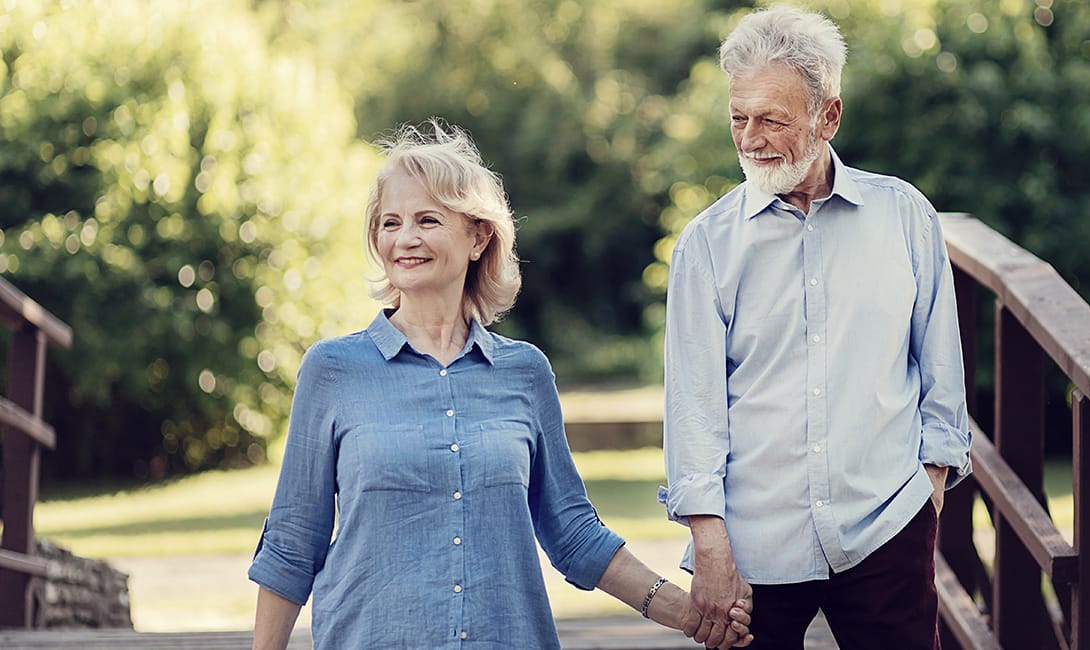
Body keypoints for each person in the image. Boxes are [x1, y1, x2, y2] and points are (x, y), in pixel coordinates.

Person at [248, 120, 752, 650]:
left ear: (478, 236)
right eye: (390, 223)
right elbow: (290, 545)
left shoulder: (524, 373)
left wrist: (690, 613)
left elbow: (574, 533)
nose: (405, 239)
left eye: (427, 219)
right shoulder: (333, 371)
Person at [660, 5, 973, 649]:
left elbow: (942, 370)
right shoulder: (706, 245)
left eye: (772, 118)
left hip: (886, 524)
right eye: (738, 117)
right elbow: (693, 406)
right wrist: (709, 542)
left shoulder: (904, 215)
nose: (750, 137)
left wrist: (930, 489)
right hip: (753, 545)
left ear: (829, 116)